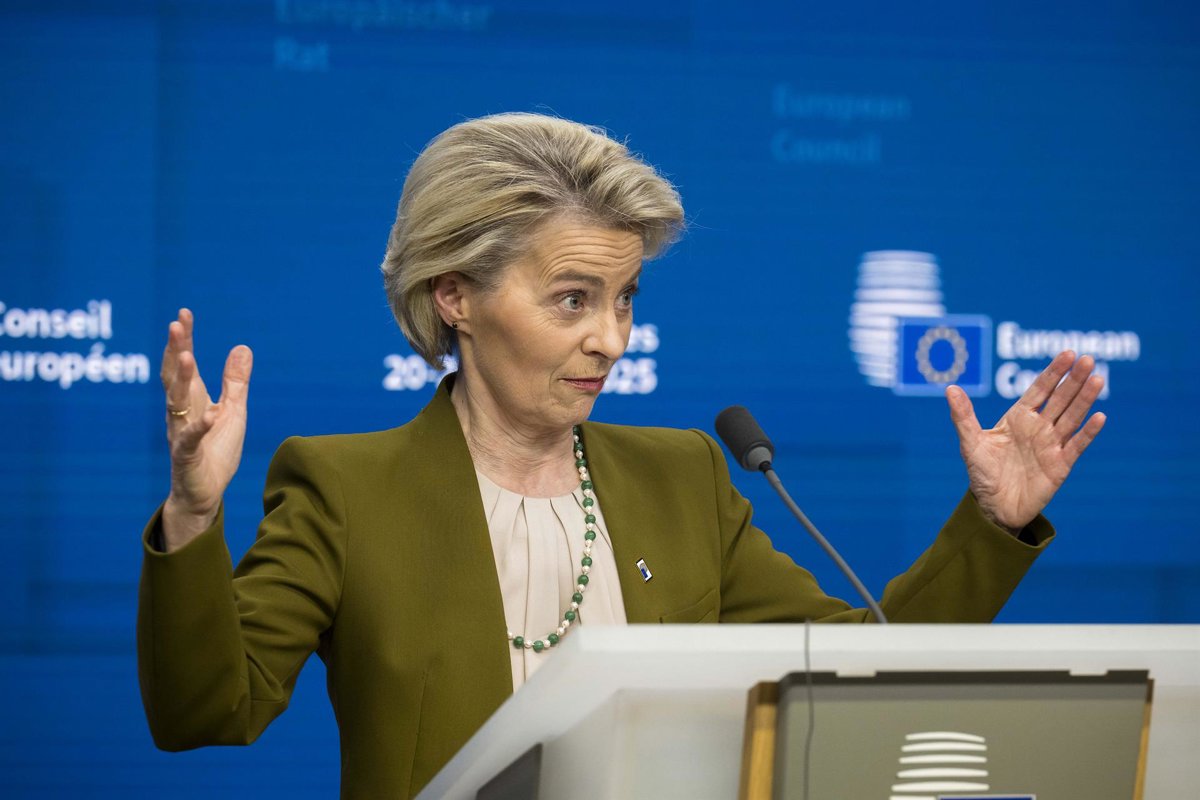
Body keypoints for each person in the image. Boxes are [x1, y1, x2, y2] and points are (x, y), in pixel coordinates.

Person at [138, 113, 1106, 798]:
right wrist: (192, 515)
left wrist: (992, 523)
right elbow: (207, 711)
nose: (611, 338)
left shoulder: (681, 475)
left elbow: (856, 670)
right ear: (455, 296)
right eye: (572, 299)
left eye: (625, 298)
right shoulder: (346, 487)